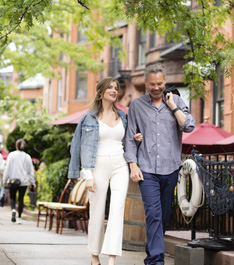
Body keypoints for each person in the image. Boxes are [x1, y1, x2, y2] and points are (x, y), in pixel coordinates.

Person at [124, 64, 195, 265]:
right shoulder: (137, 106)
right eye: (152, 84)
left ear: (165, 82)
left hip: (171, 168)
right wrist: (133, 165)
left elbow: (189, 125)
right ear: (146, 83)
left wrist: (173, 106)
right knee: (153, 214)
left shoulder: (177, 101)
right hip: (147, 169)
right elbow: (130, 137)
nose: (156, 88)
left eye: (160, 83)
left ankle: (152, 253)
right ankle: (156, 261)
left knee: (162, 216)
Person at [68, 77, 130, 265]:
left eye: (116, 88)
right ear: (101, 91)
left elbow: (128, 143)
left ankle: (111, 258)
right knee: (97, 210)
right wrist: (87, 175)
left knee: (117, 211)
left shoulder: (124, 117)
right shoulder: (89, 118)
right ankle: (95, 256)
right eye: (110, 88)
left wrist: (137, 137)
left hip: (120, 165)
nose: (114, 90)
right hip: (97, 166)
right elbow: (78, 147)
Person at [3, 139, 36, 224]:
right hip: (24, 182)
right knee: (21, 199)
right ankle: (19, 217)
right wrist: (33, 182)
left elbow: (7, 168)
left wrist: (5, 180)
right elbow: (30, 171)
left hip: (13, 180)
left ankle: (13, 209)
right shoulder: (27, 156)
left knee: (12, 197)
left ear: (16, 146)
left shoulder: (11, 155)